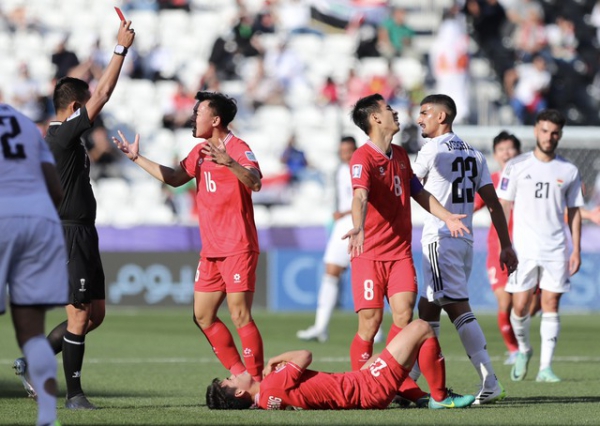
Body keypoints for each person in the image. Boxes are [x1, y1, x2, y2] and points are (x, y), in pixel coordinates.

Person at [13, 19, 136, 410]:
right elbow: (102, 92)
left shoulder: (63, 138)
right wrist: (120, 49)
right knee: (80, 315)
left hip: (83, 231)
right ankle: (74, 395)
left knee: (94, 314)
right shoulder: (62, 134)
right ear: (75, 107)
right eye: (86, 107)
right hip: (68, 233)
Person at [112, 91, 265, 385]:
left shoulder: (238, 147)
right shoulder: (200, 151)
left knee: (239, 314)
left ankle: (258, 384)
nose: (193, 117)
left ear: (216, 119)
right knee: (203, 316)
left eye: (198, 112)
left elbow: (255, 182)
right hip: (211, 250)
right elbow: (174, 178)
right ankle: (240, 376)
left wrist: (229, 162)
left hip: (237, 246)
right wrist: (136, 158)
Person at [341, 93, 469, 405]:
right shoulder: (363, 158)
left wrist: (447, 215)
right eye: (387, 109)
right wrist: (357, 226)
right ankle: (365, 387)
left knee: (405, 320)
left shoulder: (399, 154)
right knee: (370, 323)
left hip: (398, 253)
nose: (394, 112)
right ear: (374, 119)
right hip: (369, 253)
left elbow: (418, 192)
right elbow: (359, 197)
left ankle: (396, 385)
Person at [412, 94, 518, 405]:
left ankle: (489, 380)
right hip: (464, 241)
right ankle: (410, 381)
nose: (420, 119)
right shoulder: (475, 154)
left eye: (425, 113)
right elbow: (494, 203)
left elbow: (410, 184)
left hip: (441, 237)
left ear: (442, 116)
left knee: (457, 306)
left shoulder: (431, 149)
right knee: (428, 308)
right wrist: (506, 244)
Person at [206, 319, 475, 410]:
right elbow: (305, 355)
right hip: (368, 386)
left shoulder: (267, 401)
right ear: (239, 392)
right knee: (422, 328)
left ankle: (418, 396)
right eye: (230, 381)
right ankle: (439, 398)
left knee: (376, 358)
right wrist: (276, 359)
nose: (233, 375)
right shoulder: (273, 384)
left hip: (363, 386)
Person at [497, 109, 584, 383]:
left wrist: (576, 249)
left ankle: (546, 368)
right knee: (520, 306)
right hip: (523, 248)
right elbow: (503, 206)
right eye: (545, 131)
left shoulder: (569, 170)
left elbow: (575, 211)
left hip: (556, 247)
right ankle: (524, 350)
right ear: (536, 131)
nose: (549, 137)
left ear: (560, 134)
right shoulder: (517, 166)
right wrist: (504, 244)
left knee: (551, 303)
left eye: (555, 132)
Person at [1, 103, 68, 426]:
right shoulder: (24, 123)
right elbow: (55, 188)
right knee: (32, 332)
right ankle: (47, 419)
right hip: (40, 219)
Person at [296, 136, 383, 344]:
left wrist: (344, 212)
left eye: (349, 150)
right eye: (342, 150)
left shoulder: (364, 168)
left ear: (356, 150)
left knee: (365, 275)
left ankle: (375, 328)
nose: (346, 154)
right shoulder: (339, 171)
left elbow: (367, 198)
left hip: (359, 223)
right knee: (331, 272)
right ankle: (320, 327)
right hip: (341, 226)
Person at [473, 131, 522, 365]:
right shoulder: (490, 180)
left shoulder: (527, 180)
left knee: (526, 306)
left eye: (511, 148)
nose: (506, 153)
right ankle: (514, 350)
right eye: (502, 149)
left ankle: (520, 343)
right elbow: (473, 204)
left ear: (518, 152)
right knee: (506, 302)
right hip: (498, 249)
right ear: (495, 154)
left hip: (526, 247)